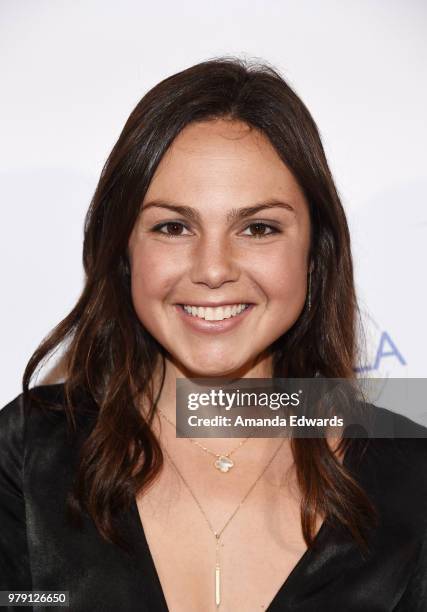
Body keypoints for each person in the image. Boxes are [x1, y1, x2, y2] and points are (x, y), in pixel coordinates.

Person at [0, 57, 426, 612]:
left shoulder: (412, 470)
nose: (213, 268)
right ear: (125, 249)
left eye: (258, 228)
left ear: (314, 254)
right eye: (173, 227)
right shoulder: (31, 450)